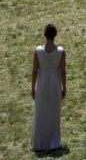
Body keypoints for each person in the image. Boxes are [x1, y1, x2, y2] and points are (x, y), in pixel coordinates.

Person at [31, 23, 66, 152]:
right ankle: (53, 142)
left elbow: (35, 71)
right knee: (53, 114)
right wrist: (64, 87)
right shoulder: (60, 52)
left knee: (41, 113)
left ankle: (40, 143)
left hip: (42, 84)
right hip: (55, 84)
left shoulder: (38, 51)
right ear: (55, 35)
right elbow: (62, 72)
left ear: (45, 35)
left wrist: (32, 88)